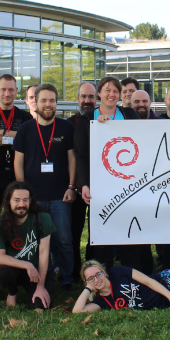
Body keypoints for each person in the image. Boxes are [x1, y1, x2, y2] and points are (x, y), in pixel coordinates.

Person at [75, 77, 146, 271]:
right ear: (99, 93)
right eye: (107, 90)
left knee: (129, 233)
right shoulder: (87, 119)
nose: (111, 94)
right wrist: (85, 184)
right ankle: (99, 279)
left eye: (116, 91)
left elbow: (143, 140)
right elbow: (81, 155)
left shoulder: (129, 114)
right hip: (101, 188)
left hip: (128, 186)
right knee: (101, 237)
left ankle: (131, 280)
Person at [13, 83, 76, 289]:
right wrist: (23, 193)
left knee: (64, 241)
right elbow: (18, 162)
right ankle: (44, 279)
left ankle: (67, 280)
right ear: (35, 102)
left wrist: (71, 186)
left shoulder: (66, 127)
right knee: (39, 242)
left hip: (61, 195)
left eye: (52, 100)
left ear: (56, 103)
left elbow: (72, 160)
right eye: (43, 100)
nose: (48, 104)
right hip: (35, 197)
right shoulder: (25, 129)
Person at [0, 182, 55, 308]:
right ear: (8, 201)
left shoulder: (43, 218)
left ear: (31, 201)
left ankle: (37, 289)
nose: (21, 204)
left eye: (25, 200)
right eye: (17, 200)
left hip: (36, 271)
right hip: (13, 268)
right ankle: (12, 292)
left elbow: (44, 253)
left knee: (40, 305)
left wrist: (41, 286)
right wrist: (27, 265)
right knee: (2, 273)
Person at [0, 74, 33, 204]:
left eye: (11, 90)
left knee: (16, 216)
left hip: (17, 175)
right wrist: (18, 135)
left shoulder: (26, 117)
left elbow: (28, 139)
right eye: (3, 89)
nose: (7, 94)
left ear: (17, 91)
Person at [69, 81, 96, 278]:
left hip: (100, 188)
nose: (87, 101)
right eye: (83, 97)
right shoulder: (69, 124)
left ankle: (96, 270)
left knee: (96, 235)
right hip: (77, 187)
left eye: (91, 97)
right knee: (74, 232)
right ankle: (73, 271)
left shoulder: (105, 121)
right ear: (78, 99)